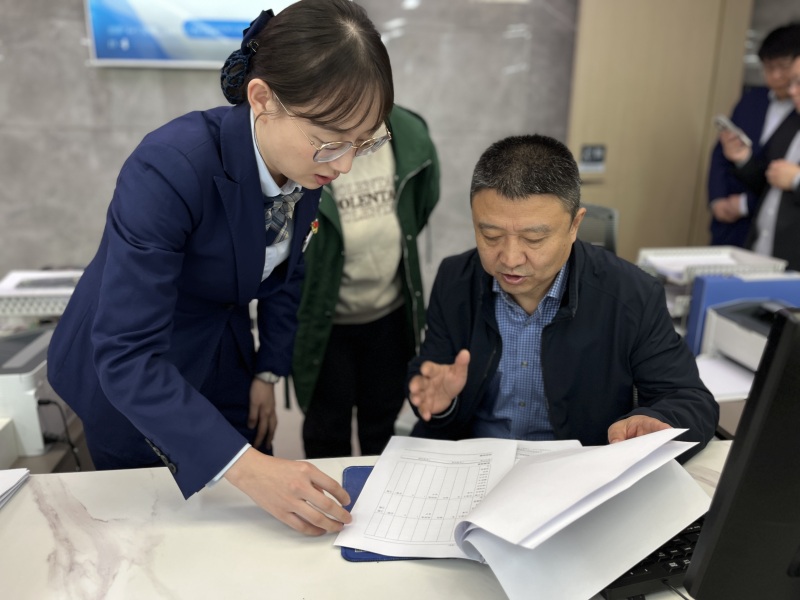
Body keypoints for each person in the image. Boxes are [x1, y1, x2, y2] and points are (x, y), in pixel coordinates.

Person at [46, 0, 394, 536]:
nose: (345, 164)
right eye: (330, 140)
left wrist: (267, 371)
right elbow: (126, 352)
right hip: (134, 379)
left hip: (224, 350)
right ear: (262, 99)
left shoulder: (306, 166)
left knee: (246, 528)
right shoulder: (170, 167)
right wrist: (248, 467)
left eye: (363, 142)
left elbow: (286, 270)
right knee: (160, 535)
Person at [407, 134, 718, 459]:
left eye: (533, 239)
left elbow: (691, 401)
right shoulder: (456, 279)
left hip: (576, 469)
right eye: (491, 235)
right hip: (475, 463)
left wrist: (655, 420)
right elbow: (430, 379)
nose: (510, 258)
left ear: (574, 225)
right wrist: (442, 403)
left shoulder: (632, 294)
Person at [292, 105, 439, 458]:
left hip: (390, 315)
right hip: (325, 321)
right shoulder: (308, 134)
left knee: (383, 426)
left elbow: (421, 204)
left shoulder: (409, 132)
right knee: (326, 429)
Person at [707, 23, 800, 247]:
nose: (775, 76)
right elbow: (723, 155)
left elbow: (782, 176)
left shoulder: (795, 117)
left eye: (782, 67)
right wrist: (718, 198)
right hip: (745, 230)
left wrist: (744, 204)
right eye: (768, 68)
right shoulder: (752, 100)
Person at [720, 50, 800, 271]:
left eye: (799, 83)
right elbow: (767, 181)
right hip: (761, 253)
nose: (791, 90)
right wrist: (743, 159)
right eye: (792, 82)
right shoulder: (790, 124)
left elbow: (790, 180)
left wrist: (796, 180)